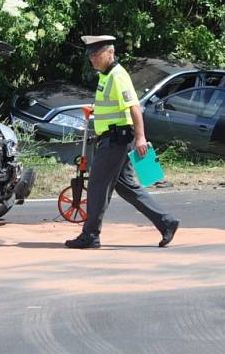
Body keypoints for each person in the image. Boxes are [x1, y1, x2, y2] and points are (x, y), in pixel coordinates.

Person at [65, 35, 180, 249]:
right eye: (90, 56)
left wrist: (141, 137)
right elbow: (113, 107)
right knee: (127, 188)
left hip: (116, 139)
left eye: (96, 55)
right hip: (114, 138)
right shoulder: (105, 76)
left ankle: (90, 235)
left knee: (98, 186)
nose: (93, 59)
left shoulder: (117, 76)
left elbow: (134, 107)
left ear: (110, 53)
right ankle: (166, 222)